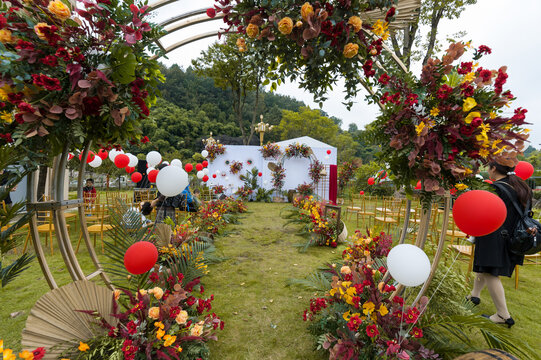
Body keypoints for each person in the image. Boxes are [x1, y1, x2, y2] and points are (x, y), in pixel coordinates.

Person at [467, 158, 532, 328]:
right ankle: (475, 294)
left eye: (489, 168)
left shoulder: (496, 188)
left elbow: (485, 212)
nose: (488, 171)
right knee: (485, 267)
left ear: (494, 168)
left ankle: (503, 314)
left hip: (494, 235)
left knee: (490, 273)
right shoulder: (522, 186)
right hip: (514, 237)